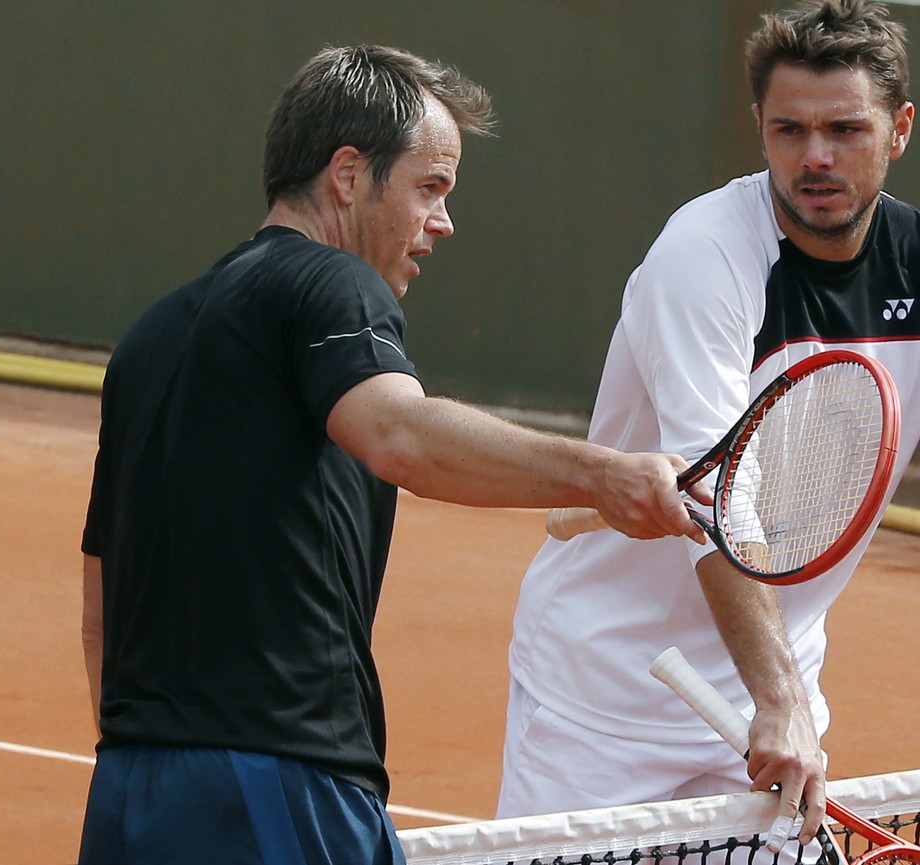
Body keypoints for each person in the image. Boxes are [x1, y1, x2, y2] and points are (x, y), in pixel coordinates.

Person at [496, 0, 920, 848]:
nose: (814, 157)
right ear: (759, 127)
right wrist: (777, 700)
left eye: (844, 130)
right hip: (602, 702)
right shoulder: (704, 255)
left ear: (899, 129)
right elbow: (719, 499)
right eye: (788, 130)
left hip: (776, 706)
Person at [77, 44, 705, 865]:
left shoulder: (148, 341)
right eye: (430, 187)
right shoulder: (333, 284)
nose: (442, 221)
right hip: (285, 781)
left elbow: (101, 604)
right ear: (347, 174)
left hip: (132, 790)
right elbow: (398, 434)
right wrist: (606, 472)